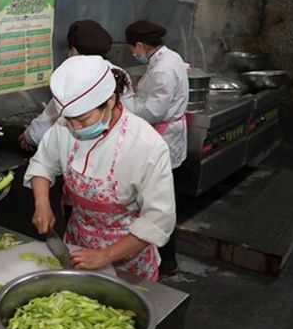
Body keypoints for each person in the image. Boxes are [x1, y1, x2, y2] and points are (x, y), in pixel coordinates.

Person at [24, 56, 176, 281]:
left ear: (111, 101)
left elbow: (158, 220)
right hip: (76, 245)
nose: (75, 127)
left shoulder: (146, 146)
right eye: (70, 120)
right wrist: (42, 203)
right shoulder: (64, 127)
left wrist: (106, 255)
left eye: (83, 121)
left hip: (128, 257)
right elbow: (43, 163)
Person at [123, 20, 190, 274]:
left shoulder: (162, 68)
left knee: (159, 198)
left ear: (140, 45)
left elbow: (153, 110)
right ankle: (163, 256)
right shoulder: (170, 57)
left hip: (164, 135)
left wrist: (126, 101)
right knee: (162, 195)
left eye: (133, 48)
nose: (133, 53)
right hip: (168, 132)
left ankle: (166, 260)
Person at [19, 20, 133, 152]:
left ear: (73, 50)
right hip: (119, 144)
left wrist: (29, 137)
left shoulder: (77, 78)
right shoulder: (119, 72)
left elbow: (50, 119)